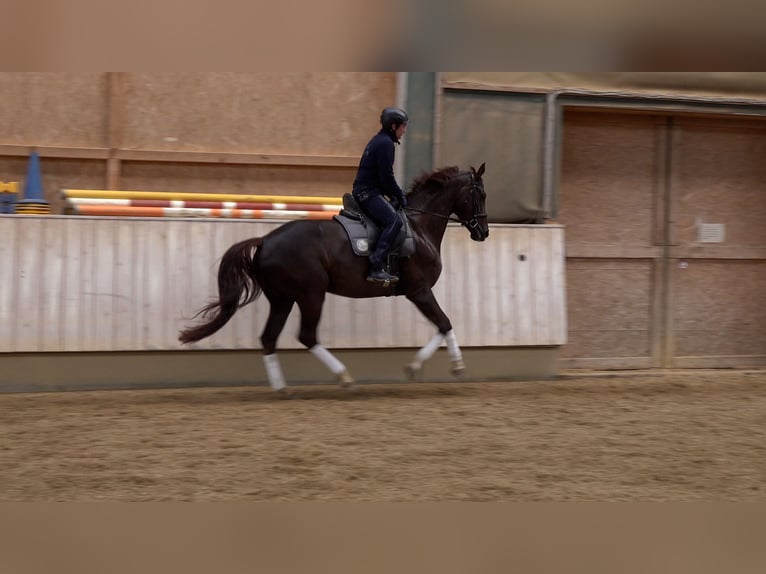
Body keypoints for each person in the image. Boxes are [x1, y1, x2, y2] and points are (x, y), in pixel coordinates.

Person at [352, 107, 409, 284]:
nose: (404, 130)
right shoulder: (385, 144)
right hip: (367, 193)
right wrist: (399, 195)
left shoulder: (379, 140)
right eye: (403, 126)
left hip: (368, 190)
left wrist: (392, 195)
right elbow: (387, 177)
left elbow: (381, 178)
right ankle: (376, 266)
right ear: (393, 126)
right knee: (394, 221)